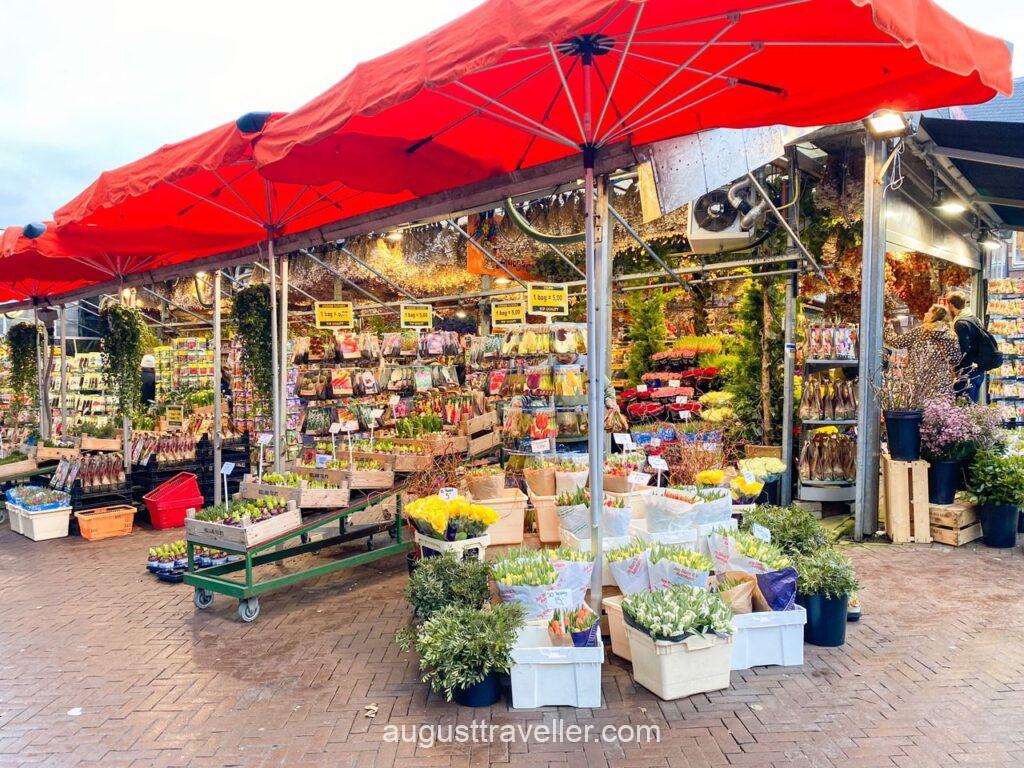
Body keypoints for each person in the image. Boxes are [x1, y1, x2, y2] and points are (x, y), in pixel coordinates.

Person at [885, 304, 963, 395]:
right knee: (939, 407)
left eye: (928, 312)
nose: (925, 313)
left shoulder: (921, 331)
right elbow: (956, 359)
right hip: (941, 381)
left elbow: (896, 342)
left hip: (919, 380)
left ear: (934, 316)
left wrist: (887, 326)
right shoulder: (951, 335)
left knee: (919, 407)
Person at [945, 290, 997, 402]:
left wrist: (956, 367)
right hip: (978, 368)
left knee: (964, 404)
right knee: (972, 404)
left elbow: (963, 349)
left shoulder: (960, 323)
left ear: (951, 305)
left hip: (967, 371)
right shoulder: (975, 319)